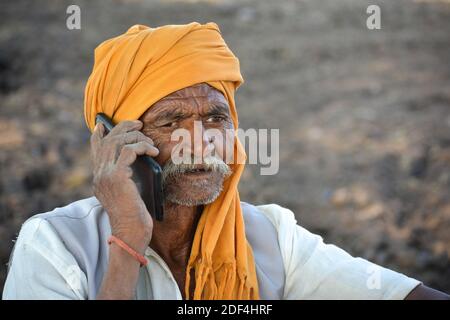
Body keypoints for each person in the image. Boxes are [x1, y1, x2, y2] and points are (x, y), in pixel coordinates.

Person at [3, 22, 449, 300]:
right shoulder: (55, 246)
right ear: (112, 140)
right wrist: (127, 240)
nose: (202, 141)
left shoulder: (270, 238)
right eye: (172, 121)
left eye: (217, 117)